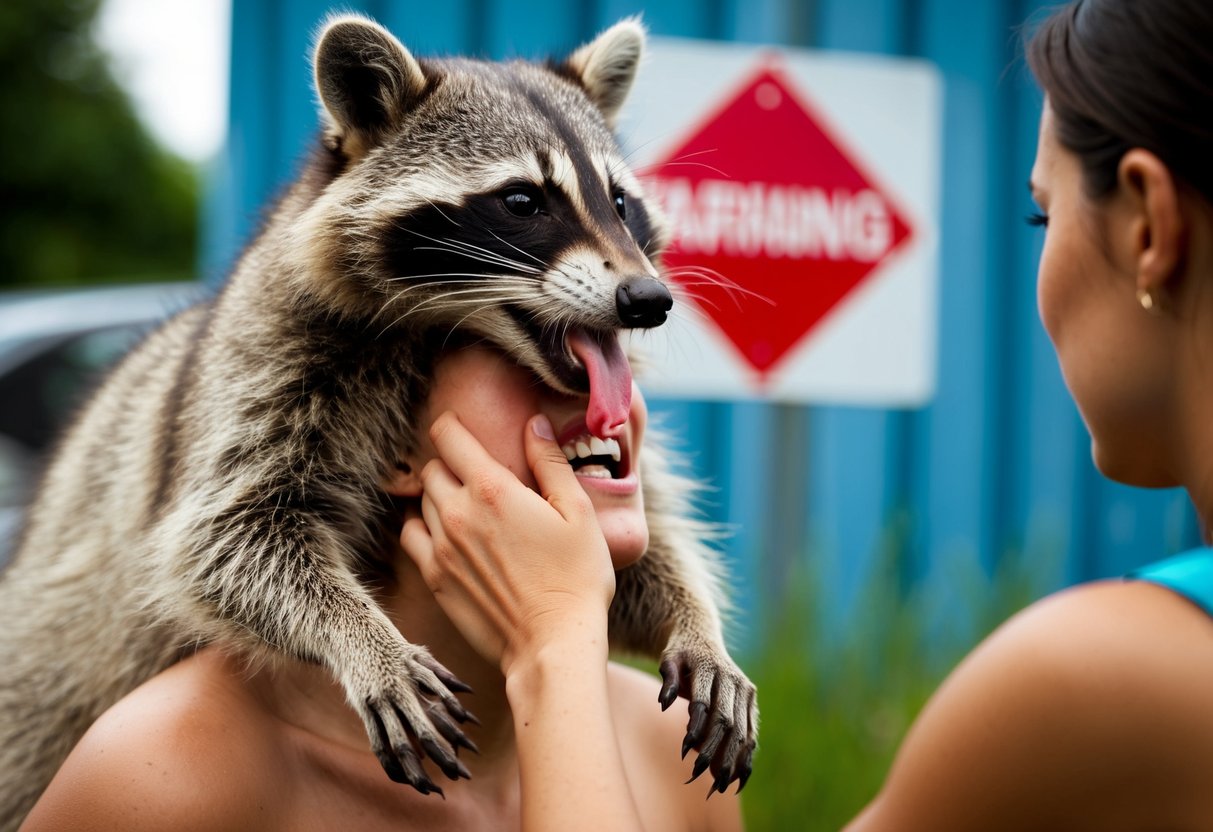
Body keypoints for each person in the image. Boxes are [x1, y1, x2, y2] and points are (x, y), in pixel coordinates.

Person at [403, 0, 1213, 828]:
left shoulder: (1107, 677)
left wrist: (554, 647)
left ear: (1148, 224)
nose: (612, 417)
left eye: (1042, 213)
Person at [19, 345, 743, 832]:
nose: (610, 407)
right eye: (534, 358)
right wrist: (554, 645)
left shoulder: (665, 741)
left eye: (611, 351)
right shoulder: (164, 774)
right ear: (389, 439)